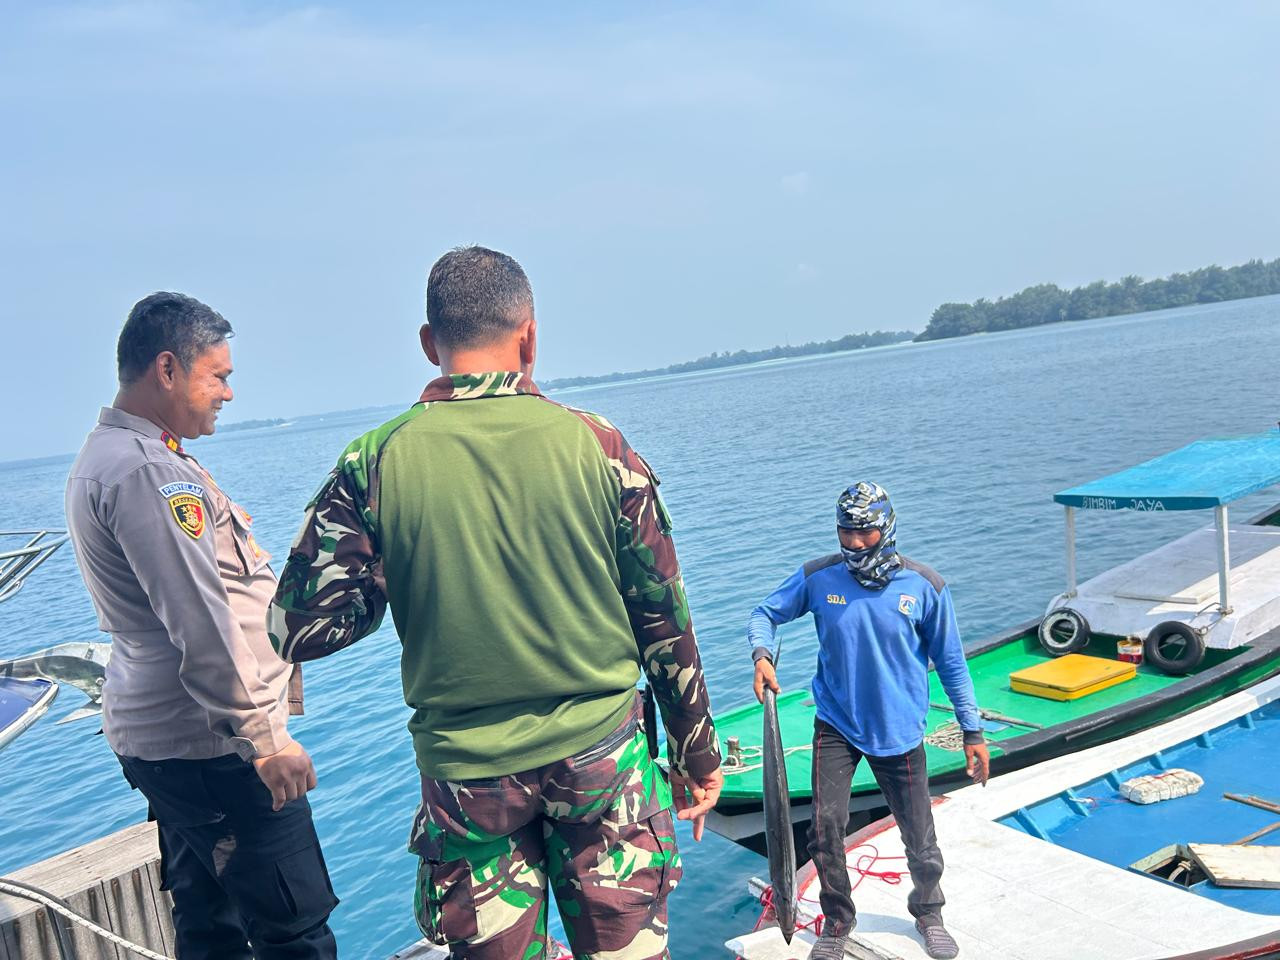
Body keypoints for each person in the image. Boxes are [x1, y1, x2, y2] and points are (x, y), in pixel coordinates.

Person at [267, 246, 723, 960]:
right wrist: (697, 752)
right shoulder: (599, 446)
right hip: (603, 762)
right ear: (529, 336)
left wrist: (388, 579)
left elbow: (295, 629)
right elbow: (662, 616)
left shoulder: (372, 462)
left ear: (429, 344)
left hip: (468, 779)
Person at [65, 292, 338, 960]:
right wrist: (265, 742)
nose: (228, 393)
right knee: (294, 929)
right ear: (167, 369)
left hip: (175, 741)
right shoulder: (147, 472)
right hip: (215, 747)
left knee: (210, 923)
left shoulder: (119, 455)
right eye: (218, 375)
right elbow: (200, 619)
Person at [747, 481, 988, 960]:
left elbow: (952, 663)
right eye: (846, 532)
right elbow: (763, 614)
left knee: (919, 835)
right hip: (836, 724)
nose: (855, 543)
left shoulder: (925, 586)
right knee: (824, 830)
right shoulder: (819, 577)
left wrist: (972, 730)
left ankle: (929, 912)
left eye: (866, 533)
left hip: (899, 730)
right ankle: (837, 920)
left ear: (888, 527)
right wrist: (761, 655)